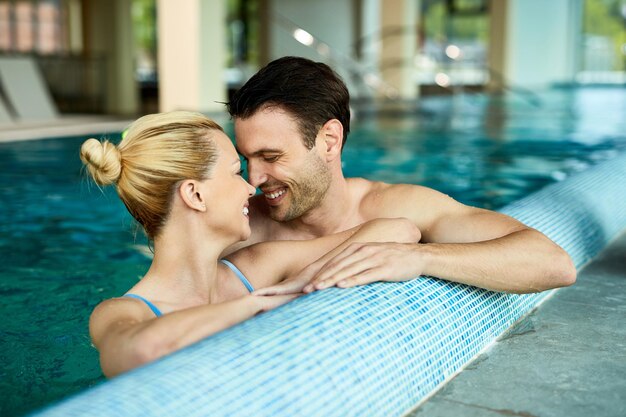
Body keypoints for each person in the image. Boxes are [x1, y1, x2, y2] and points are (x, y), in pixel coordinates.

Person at [80, 111, 420, 377]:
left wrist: (303, 279)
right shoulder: (120, 313)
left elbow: (400, 230)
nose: (251, 187)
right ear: (195, 195)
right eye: (234, 172)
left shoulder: (256, 266)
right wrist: (257, 306)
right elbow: (143, 352)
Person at [226, 56, 577, 295]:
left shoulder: (395, 207)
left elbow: (552, 263)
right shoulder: (240, 227)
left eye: (270, 157)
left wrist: (420, 257)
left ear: (329, 141)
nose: (253, 178)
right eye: (246, 159)